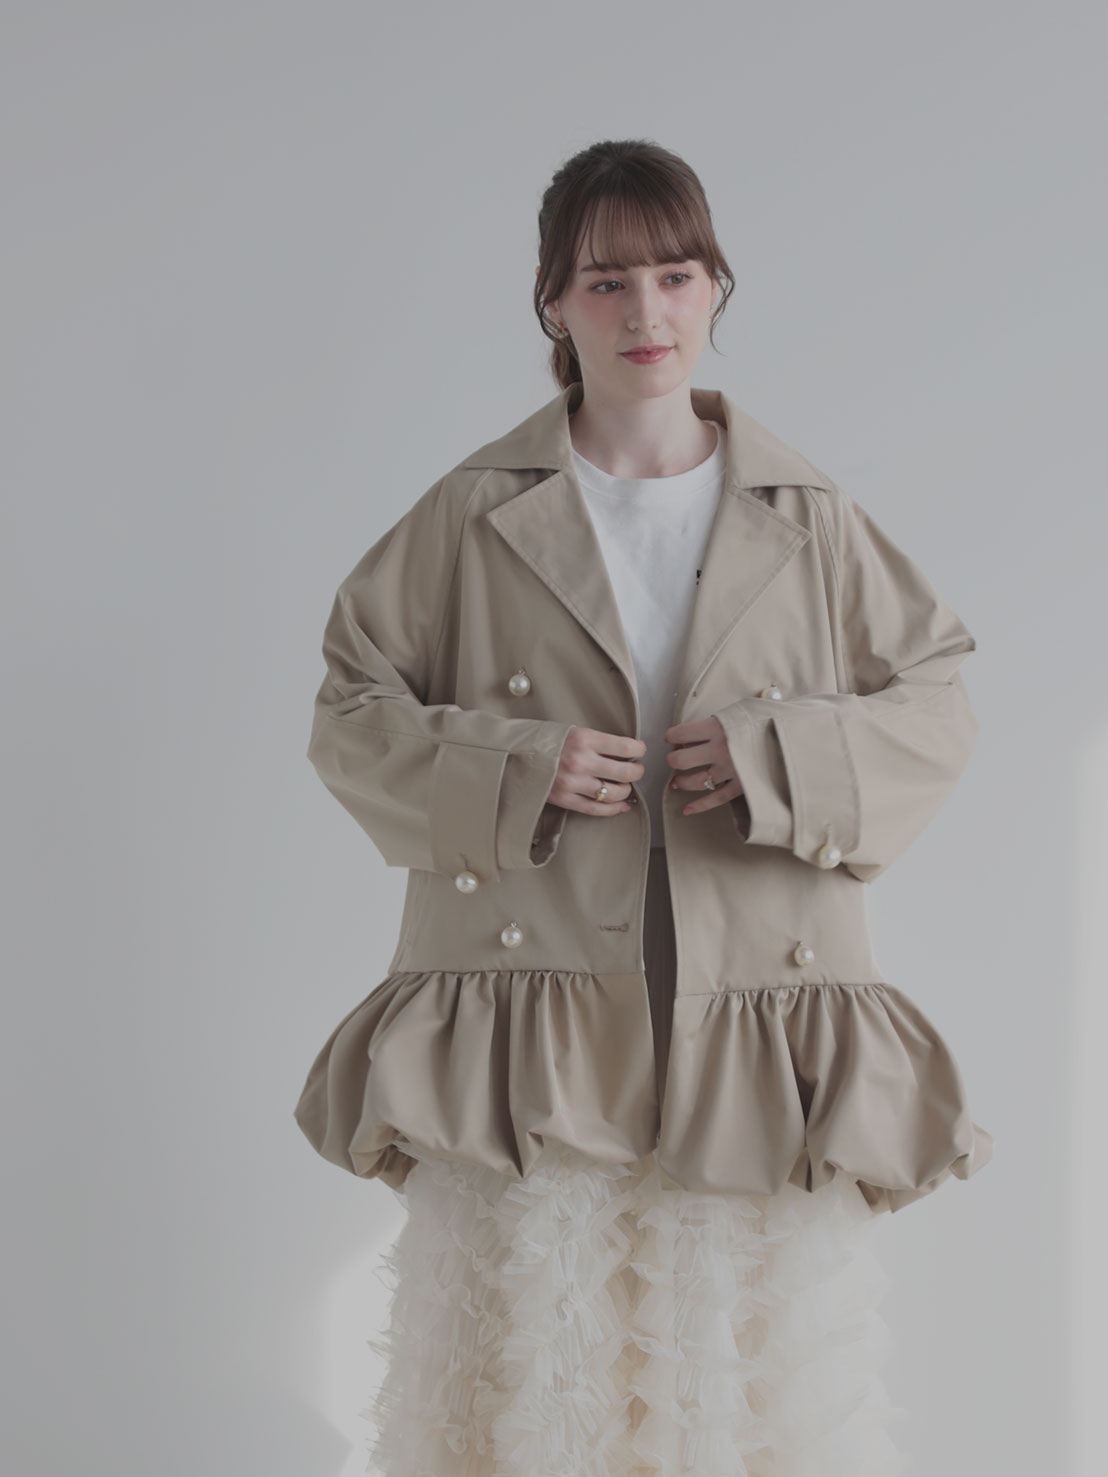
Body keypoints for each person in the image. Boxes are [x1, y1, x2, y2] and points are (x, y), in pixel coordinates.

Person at [294, 138, 992, 1475]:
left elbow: (937, 700)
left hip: (756, 1011)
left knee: (738, 1398)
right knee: (534, 1392)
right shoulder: (472, 511)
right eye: (606, 281)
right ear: (554, 304)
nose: (646, 313)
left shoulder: (807, 513)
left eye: (676, 274)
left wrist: (777, 758)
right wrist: (520, 766)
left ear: (716, 285)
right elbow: (350, 711)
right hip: (530, 1021)